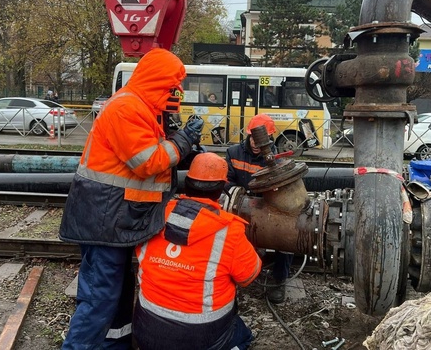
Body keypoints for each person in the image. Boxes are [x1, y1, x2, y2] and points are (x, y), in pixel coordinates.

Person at [58, 48, 204, 349]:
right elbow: (148, 162)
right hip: (105, 218)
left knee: (118, 294)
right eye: (173, 85)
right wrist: (184, 141)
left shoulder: (145, 109)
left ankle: (114, 345)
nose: (177, 92)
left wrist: (182, 145)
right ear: (157, 80)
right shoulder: (127, 109)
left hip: (116, 217)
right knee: (100, 297)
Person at [133, 152, 261, 350]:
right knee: (243, 335)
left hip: (147, 332)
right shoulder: (229, 231)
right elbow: (248, 276)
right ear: (220, 190)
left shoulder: (156, 216)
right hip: (202, 336)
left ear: (188, 182)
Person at [224, 113, 293, 304]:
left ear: (269, 138)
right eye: (252, 137)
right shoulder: (233, 153)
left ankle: (279, 279)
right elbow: (226, 180)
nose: (255, 142)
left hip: (266, 209)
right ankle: (232, 272)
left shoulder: (276, 161)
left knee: (286, 236)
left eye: (260, 139)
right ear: (249, 135)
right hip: (239, 207)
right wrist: (238, 194)